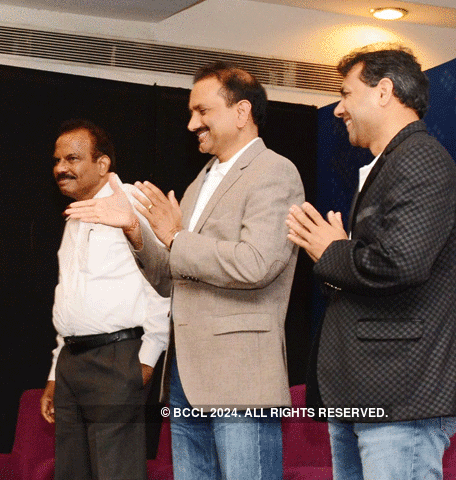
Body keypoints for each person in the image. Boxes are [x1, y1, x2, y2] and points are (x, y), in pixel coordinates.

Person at [65, 62, 304, 480]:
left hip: (239, 375)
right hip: (184, 376)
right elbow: (168, 277)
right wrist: (135, 230)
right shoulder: (200, 182)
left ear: (242, 112)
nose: (192, 123)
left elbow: (257, 264)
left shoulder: (274, 172)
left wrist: (175, 238)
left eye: (202, 111)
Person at [286, 45, 456, 479]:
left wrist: (332, 251)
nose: (338, 109)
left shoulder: (419, 158)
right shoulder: (393, 163)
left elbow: (400, 264)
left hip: (402, 397)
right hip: (372, 391)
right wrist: (336, 251)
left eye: (346, 94)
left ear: (384, 91)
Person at [39, 119, 169, 480]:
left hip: (118, 360)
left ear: (102, 164)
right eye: (57, 160)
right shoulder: (74, 218)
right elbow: (69, 303)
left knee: (117, 473)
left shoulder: (131, 204)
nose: (61, 168)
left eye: (72, 158)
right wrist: (54, 373)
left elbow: (162, 283)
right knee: (71, 472)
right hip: (71, 361)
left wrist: (147, 357)